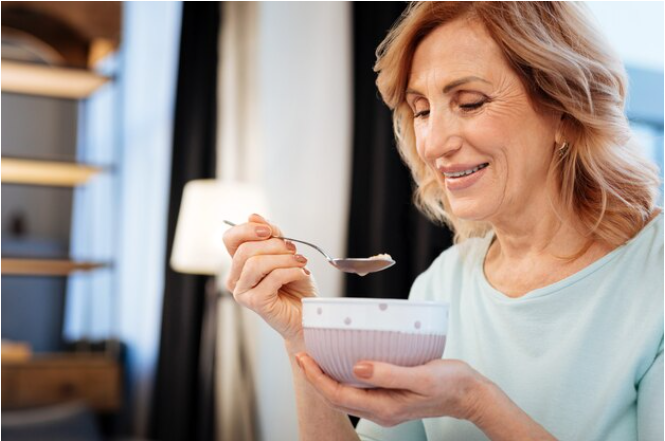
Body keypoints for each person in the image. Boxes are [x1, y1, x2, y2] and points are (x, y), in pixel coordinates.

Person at [223, 2, 663, 440]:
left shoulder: (654, 274)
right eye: (422, 110)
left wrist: (475, 402)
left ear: (565, 111)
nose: (433, 143)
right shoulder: (443, 283)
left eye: (470, 103)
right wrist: (304, 335)